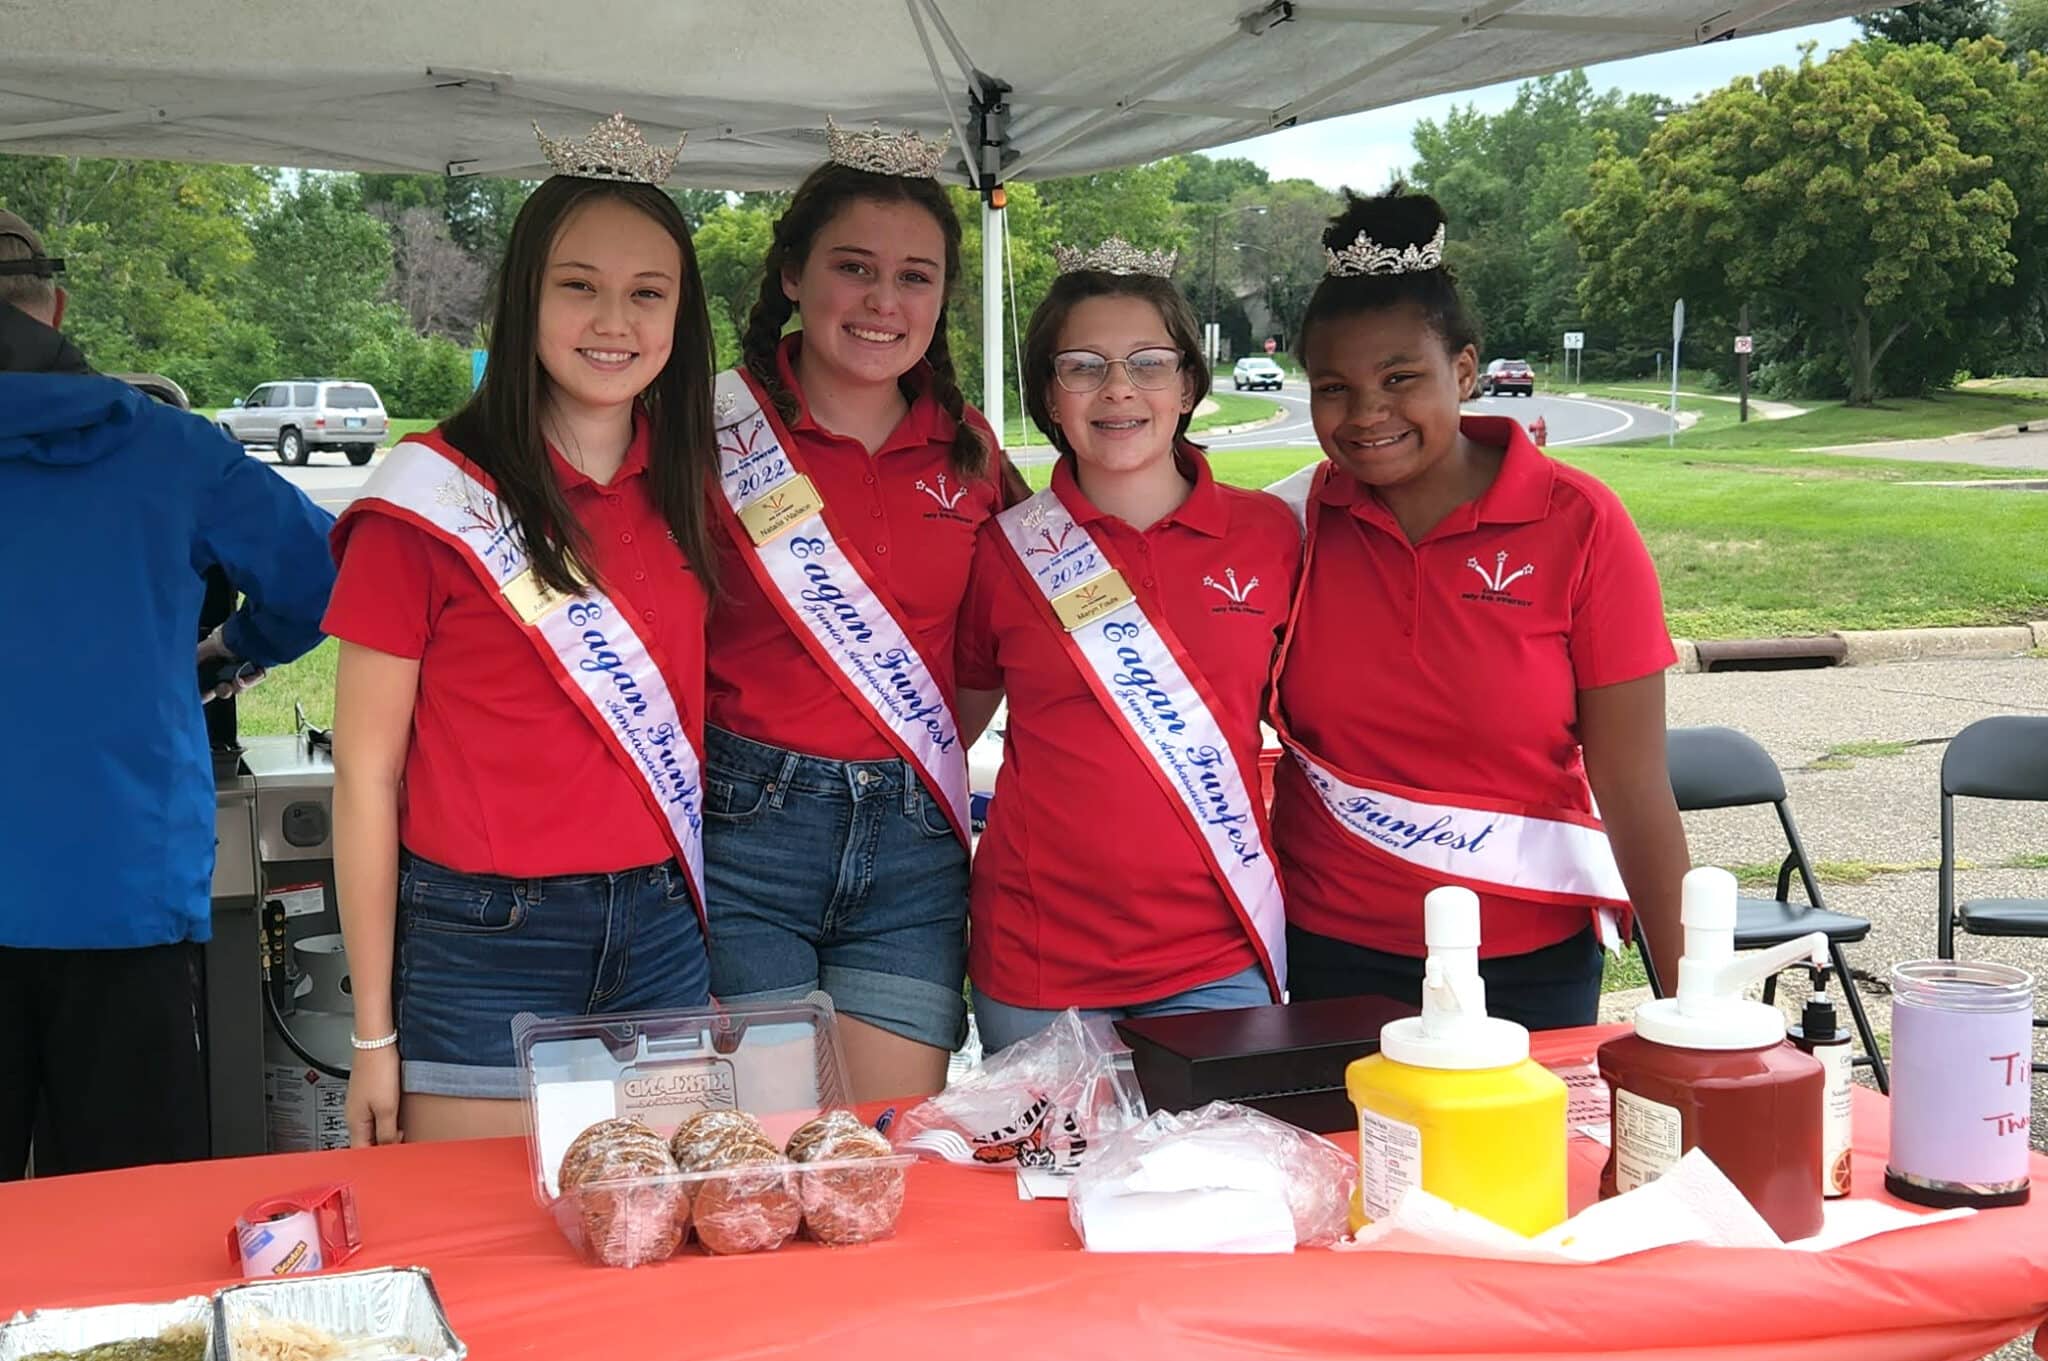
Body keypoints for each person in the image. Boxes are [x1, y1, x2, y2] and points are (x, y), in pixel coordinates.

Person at [326, 115, 722, 1145]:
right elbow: (364, 776)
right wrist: (373, 1034)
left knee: (657, 1224)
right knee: (484, 1236)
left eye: (648, 293)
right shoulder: (426, 501)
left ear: (681, 313)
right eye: (578, 285)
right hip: (483, 937)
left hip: (661, 927)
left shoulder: (694, 487)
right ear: (524, 300)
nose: (613, 320)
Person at [1269, 189, 1688, 1030]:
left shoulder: (1579, 522)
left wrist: (1692, 1009)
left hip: (1527, 961)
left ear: (1464, 371)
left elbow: (1635, 783)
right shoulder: (1293, 524)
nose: (1367, 414)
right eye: (1333, 387)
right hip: (1328, 954)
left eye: (1400, 378)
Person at [0, 208, 335, 1177]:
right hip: (122, 890)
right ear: (57, 309)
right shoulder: (171, 450)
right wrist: (229, 650)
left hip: (121, 891)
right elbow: (323, 574)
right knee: (127, 1213)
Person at [705, 120, 1021, 1100]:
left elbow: (997, 641)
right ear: (792, 275)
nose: (885, 301)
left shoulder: (968, 448)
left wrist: (913, 739)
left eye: (915, 277)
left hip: (911, 849)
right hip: (743, 832)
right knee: (763, 1147)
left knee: (886, 1152)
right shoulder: (708, 429)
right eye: (854, 267)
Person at [954, 240, 1300, 1052]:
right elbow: (951, 731)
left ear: (1188, 384)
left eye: (1149, 363)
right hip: (1038, 964)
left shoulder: (1270, 535)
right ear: (1050, 393)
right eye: (1083, 366)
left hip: (1218, 954)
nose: (1118, 389)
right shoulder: (1004, 550)